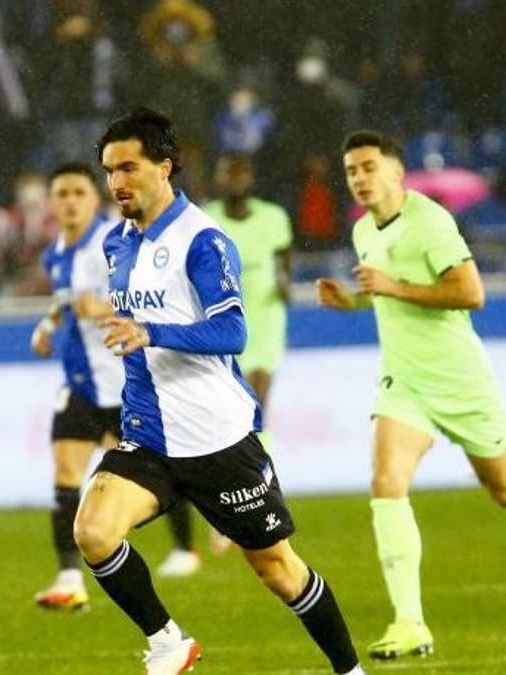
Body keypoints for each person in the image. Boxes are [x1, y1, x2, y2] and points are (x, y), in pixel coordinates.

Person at [75, 108, 362, 675]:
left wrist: (151, 331)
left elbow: (233, 330)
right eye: (109, 171)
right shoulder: (116, 244)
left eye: (128, 168)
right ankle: (168, 641)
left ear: (165, 166)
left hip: (218, 439)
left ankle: (350, 672)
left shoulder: (203, 240)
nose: (116, 183)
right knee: (93, 530)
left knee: (278, 571)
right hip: (151, 435)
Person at [316, 130, 506, 661]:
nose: (359, 178)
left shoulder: (430, 222)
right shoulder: (363, 233)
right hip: (405, 381)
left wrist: (391, 287)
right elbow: (389, 299)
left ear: (397, 171)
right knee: (386, 482)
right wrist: (353, 303)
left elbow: (470, 293)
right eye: (351, 171)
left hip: (460, 379)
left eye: (369, 166)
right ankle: (410, 622)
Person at [31, 163, 199, 613]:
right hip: (81, 385)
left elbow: (148, 296)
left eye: (77, 192)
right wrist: (47, 326)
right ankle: (70, 579)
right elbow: (64, 302)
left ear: (94, 198)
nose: (69, 200)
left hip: (124, 383)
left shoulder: (116, 243)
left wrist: (102, 307)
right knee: (65, 478)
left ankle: (186, 548)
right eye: (61, 193)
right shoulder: (56, 253)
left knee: (154, 472)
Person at [202, 152, 293, 556]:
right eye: (229, 170)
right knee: (226, 415)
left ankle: (260, 500)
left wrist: (286, 282)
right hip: (225, 323)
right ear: (220, 178)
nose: (235, 177)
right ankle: (229, 508)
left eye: (241, 170)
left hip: (266, 320)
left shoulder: (274, 217)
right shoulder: (205, 217)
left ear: (251, 177)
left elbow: (285, 258)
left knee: (254, 410)